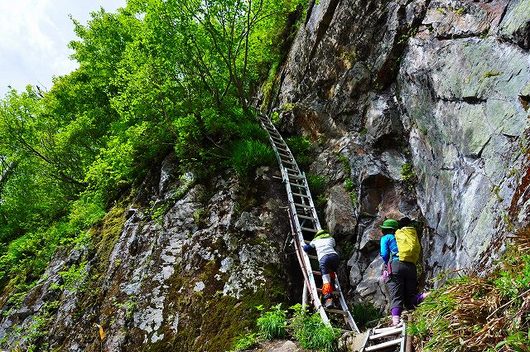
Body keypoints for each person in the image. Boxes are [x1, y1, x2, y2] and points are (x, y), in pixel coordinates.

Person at [380, 217, 426, 326]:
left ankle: (395, 322)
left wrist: (387, 264)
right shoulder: (404, 237)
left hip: (396, 266)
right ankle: (426, 296)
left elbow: (385, 254)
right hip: (411, 267)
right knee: (410, 297)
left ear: (386, 230)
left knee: (396, 295)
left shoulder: (387, 237)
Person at [303, 229, 339, 308]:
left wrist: (304, 245)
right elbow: (333, 245)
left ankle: (328, 299)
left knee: (326, 279)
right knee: (332, 274)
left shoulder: (315, 240)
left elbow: (307, 248)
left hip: (324, 259)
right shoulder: (331, 239)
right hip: (334, 257)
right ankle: (334, 290)